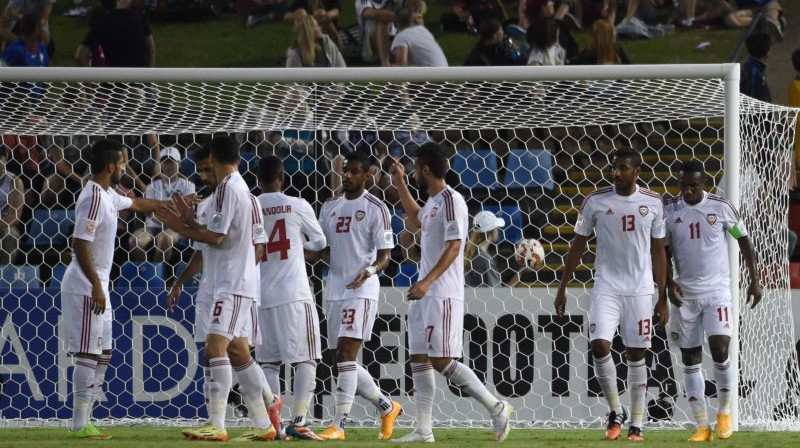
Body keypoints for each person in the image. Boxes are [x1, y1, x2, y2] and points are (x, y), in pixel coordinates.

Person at [156, 136, 279, 442]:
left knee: (214, 348)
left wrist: (182, 226)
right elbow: (221, 236)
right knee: (238, 352)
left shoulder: (227, 189)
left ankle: (217, 424)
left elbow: (217, 239)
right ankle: (265, 423)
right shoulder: (241, 190)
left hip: (233, 283)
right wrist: (189, 223)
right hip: (233, 281)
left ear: (212, 158)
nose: (203, 171)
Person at [389, 142, 512, 443]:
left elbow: (455, 246)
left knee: (442, 360)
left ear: (426, 169)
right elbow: (417, 219)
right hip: (425, 292)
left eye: (415, 168)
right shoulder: (432, 203)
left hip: (441, 292)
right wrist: (401, 183)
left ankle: (496, 407)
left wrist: (428, 281)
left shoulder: (451, 200)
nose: (414, 172)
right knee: (419, 357)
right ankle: (423, 429)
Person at [60, 138, 174, 438]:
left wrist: (172, 204)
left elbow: (137, 203)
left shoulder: (107, 194)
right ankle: (79, 423)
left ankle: (87, 415)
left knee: (105, 352)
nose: (126, 167)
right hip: (87, 283)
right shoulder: (94, 198)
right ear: (112, 166)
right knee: (88, 352)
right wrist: (96, 285)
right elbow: (80, 243)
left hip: (99, 283)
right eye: (123, 163)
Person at [554, 148, 669, 441]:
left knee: (636, 354)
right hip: (606, 286)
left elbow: (659, 251)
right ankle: (615, 411)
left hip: (641, 290)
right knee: (599, 345)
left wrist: (662, 294)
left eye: (622, 168)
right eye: (614, 167)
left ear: (636, 171)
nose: (616, 173)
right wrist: (563, 287)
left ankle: (637, 423)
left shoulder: (653, 202)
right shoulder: (595, 201)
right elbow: (577, 246)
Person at [663, 160, 762, 441]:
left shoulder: (720, 207)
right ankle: (702, 425)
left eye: (694, 185)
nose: (688, 191)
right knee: (690, 359)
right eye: (683, 186)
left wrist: (754, 279)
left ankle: (724, 411)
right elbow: (662, 251)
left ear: (703, 183)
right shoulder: (670, 211)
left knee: (720, 350)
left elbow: (743, 239)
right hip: (685, 296)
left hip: (717, 292)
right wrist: (669, 283)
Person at [314, 151, 402, 441]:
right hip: (335, 289)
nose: (349, 176)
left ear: (367, 175)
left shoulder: (376, 208)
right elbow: (323, 249)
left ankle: (338, 425)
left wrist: (370, 270)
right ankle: (387, 407)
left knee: (347, 353)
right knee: (339, 358)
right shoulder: (329, 206)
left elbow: (386, 256)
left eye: (355, 171)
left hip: (363, 289)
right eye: (346, 171)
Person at [253, 155, 327, 440]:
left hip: (261, 295)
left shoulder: (253, 206)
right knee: (307, 358)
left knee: (269, 363)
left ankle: (276, 425)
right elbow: (320, 242)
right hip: (294, 294)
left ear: (258, 179)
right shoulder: (298, 205)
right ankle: (299, 421)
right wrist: (299, 245)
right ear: (282, 177)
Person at [129, 147, 195, 263]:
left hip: (176, 227)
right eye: (165, 162)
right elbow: (147, 210)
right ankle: (147, 271)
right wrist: (169, 212)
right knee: (135, 240)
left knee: (165, 238)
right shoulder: (153, 186)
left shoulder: (188, 186)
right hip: (152, 225)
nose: (168, 166)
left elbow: (185, 212)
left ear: (178, 164)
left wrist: (158, 211)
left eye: (171, 162)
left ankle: (160, 275)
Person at [75, 0, 155, 67]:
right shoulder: (138, 18)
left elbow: (80, 56)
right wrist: (147, 74)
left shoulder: (102, 22)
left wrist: (87, 84)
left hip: (112, 80)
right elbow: (151, 49)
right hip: (139, 80)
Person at [465, 211, 529, 287]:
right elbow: (500, 295)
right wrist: (521, 273)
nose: (498, 230)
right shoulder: (485, 259)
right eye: (496, 228)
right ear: (492, 232)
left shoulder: (469, 253)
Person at [0, 149, 23, 265]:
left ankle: (3, 275)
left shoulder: (14, 182)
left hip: (3, 226)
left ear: (6, 157)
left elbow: (14, 217)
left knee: (10, 234)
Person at [355, 0, 395, 66]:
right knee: (382, 20)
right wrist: (399, 17)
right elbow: (374, 15)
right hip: (369, 48)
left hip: (392, 38)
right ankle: (385, 64)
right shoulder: (361, 1)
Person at [740, 32, 771, 103]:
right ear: (767, 53)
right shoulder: (754, 72)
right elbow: (751, 98)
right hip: (757, 112)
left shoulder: (752, 66)